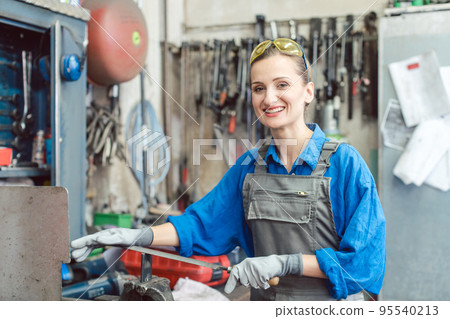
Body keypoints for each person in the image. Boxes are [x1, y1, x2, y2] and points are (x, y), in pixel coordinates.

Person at [71, 38, 386, 301]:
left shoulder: (344, 165)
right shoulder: (250, 167)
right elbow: (201, 225)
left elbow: (364, 265)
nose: (269, 97)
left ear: (308, 92)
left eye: (282, 85)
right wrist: (134, 235)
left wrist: (285, 263)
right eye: (259, 88)